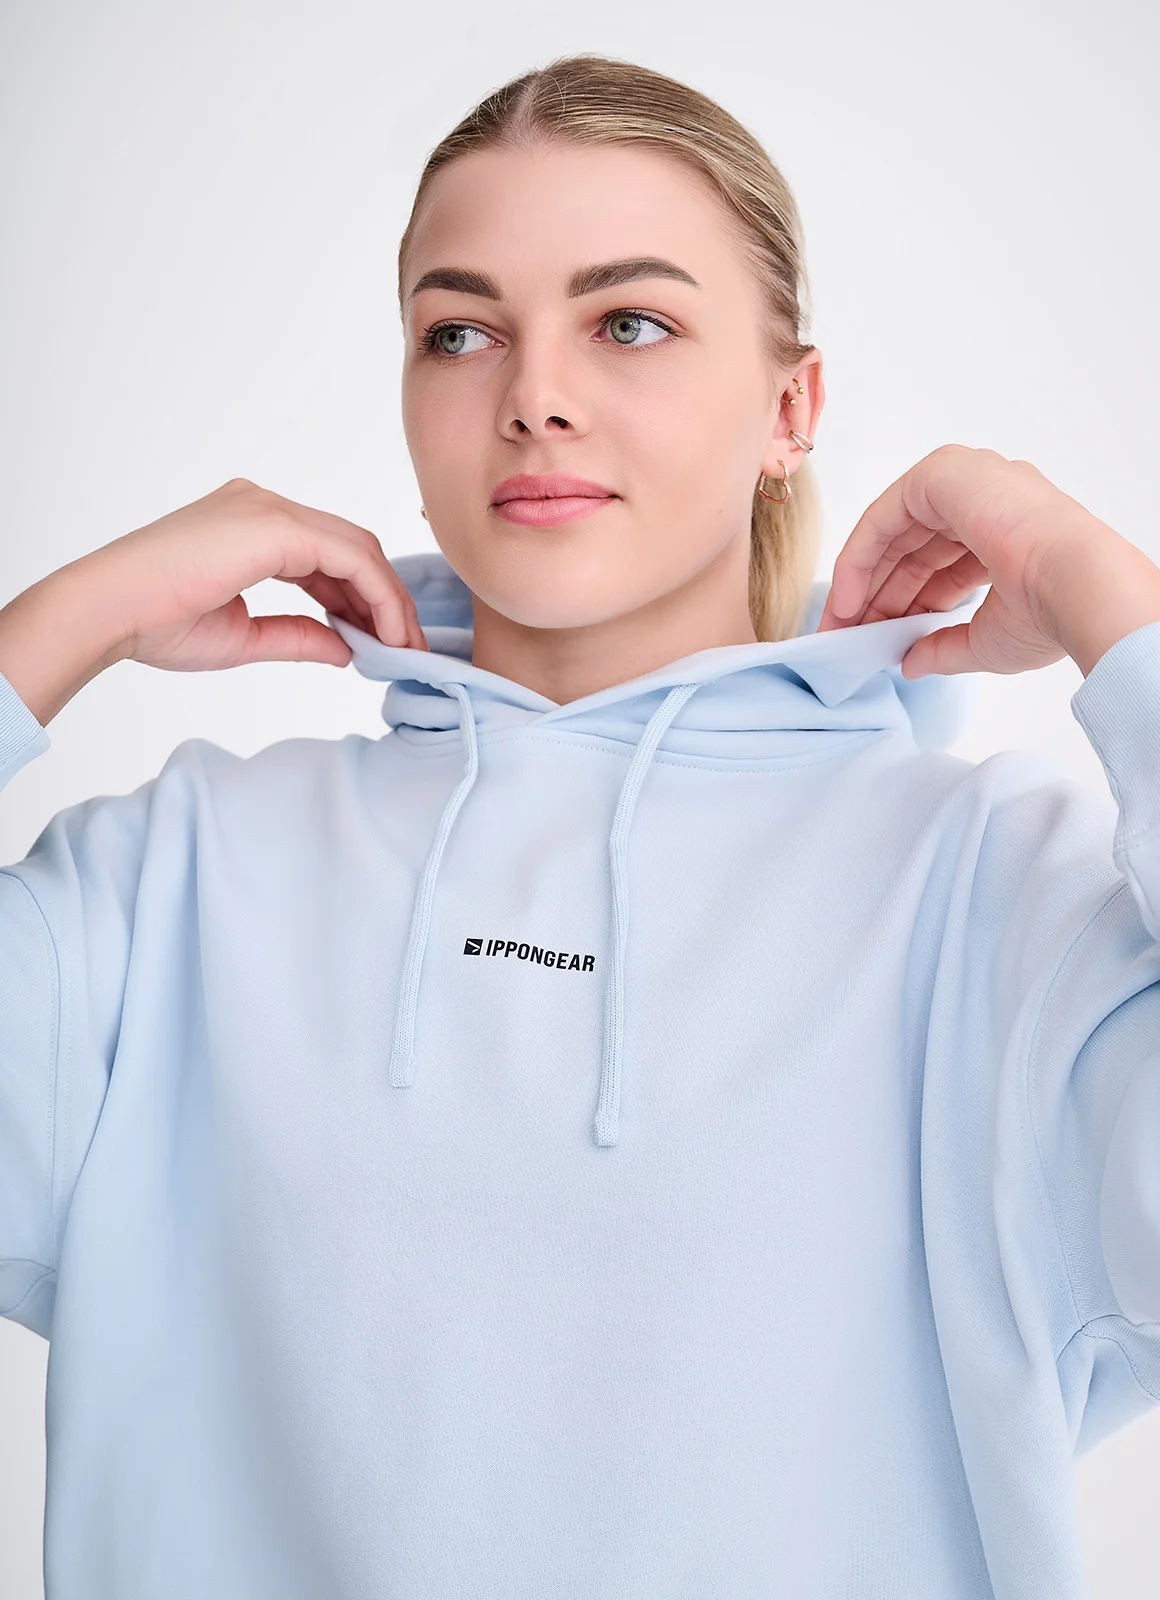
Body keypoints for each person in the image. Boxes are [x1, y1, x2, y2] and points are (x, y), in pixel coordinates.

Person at [2, 51, 1160, 1600]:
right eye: (461, 331)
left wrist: (1110, 603)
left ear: (791, 408)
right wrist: (54, 629)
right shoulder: (174, 880)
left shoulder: (995, 902)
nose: (533, 396)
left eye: (629, 323)